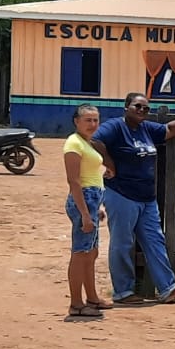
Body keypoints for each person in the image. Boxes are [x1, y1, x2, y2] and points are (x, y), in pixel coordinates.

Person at [92, 93, 175, 305]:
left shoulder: (146, 129)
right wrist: (109, 163)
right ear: (126, 107)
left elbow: (169, 130)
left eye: (146, 108)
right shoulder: (116, 127)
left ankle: (168, 288)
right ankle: (123, 292)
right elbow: (95, 140)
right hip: (121, 194)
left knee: (155, 241)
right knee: (122, 243)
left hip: (146, 198)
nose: (142, 111)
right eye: (137, 106)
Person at [63, 104, 109, 318]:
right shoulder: (73, 143)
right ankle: (76, 304)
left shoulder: (86, 143)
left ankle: (92, 297)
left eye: (95, 120)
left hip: (92, 199)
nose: (92, 124)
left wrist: (96, 207)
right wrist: (84, 214)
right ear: (76, 121)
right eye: (88, 120)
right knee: (80, 253)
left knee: (91, 252)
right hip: (83, 199)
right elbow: (74, 181)